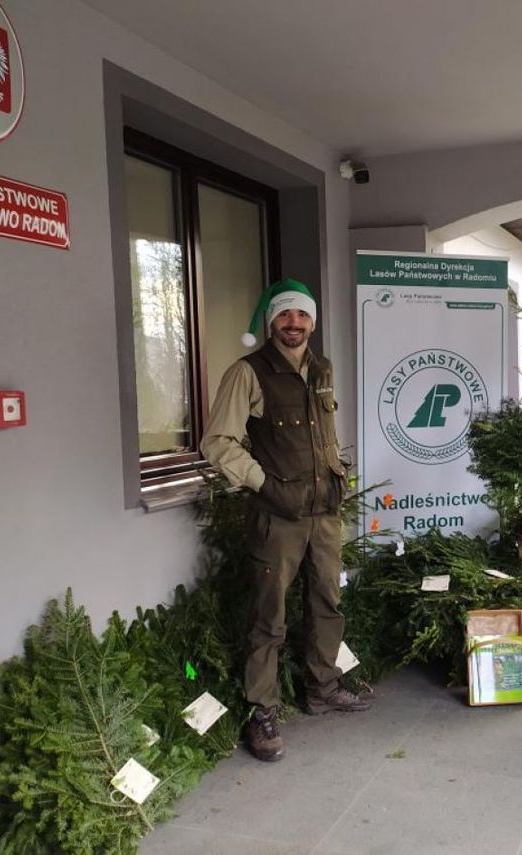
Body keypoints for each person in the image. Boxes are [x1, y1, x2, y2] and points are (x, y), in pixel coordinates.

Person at [201, 277, 369, 764]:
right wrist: (266, 487)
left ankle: (322, 686)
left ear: (312, 322)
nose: (293, 324)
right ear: (271, 320)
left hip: (325, 514)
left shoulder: (322, 368)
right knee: (267, 616)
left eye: (302, 316)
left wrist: (339, 477)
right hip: (278, 518)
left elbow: (325, 434)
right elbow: (218, 443)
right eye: (284, 315)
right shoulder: (248, 373)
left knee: (327, 601)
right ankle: (263, 710)